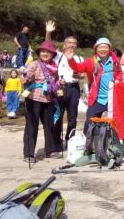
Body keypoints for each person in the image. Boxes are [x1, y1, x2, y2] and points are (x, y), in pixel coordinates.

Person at [44, 21, 86, 152]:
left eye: (74, 43)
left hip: (74, 89)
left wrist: (78, 76)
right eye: (69, 43)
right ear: (64, 45)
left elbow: (83, 75)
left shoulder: (79, 59)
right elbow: (48, 45)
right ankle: (56, 142)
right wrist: (48, 32)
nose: (72, 45)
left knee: (72, 117)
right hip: (60, 89)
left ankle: (70, 140)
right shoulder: (58, 56)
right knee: (58, 115)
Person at [66, 38, 123, 133]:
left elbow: (119, 74)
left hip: (112, 98)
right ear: (96, 49)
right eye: (100, 47)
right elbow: (77, 67)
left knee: (118, 122)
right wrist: (70, 60)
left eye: (105, 47)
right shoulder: (91, 62)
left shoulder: (115, 62)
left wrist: (118, 80)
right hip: (97, 99)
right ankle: (89, 143)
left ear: (109, 49)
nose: (103, 49)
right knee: (89, 123)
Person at [22, 41, 60, 163]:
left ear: (52, 54)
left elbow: (55, 81)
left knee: (49, 125)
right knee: (32, 125)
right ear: (39, 53)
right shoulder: (34, 64)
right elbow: (27, 75)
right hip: (34, 97)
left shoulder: (54, 67)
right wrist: (24, 78)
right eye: (43, 51)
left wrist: (60, 84)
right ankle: (29, 153)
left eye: (48, 52)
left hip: (48, 98)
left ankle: (50, 150)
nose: (45, 53)